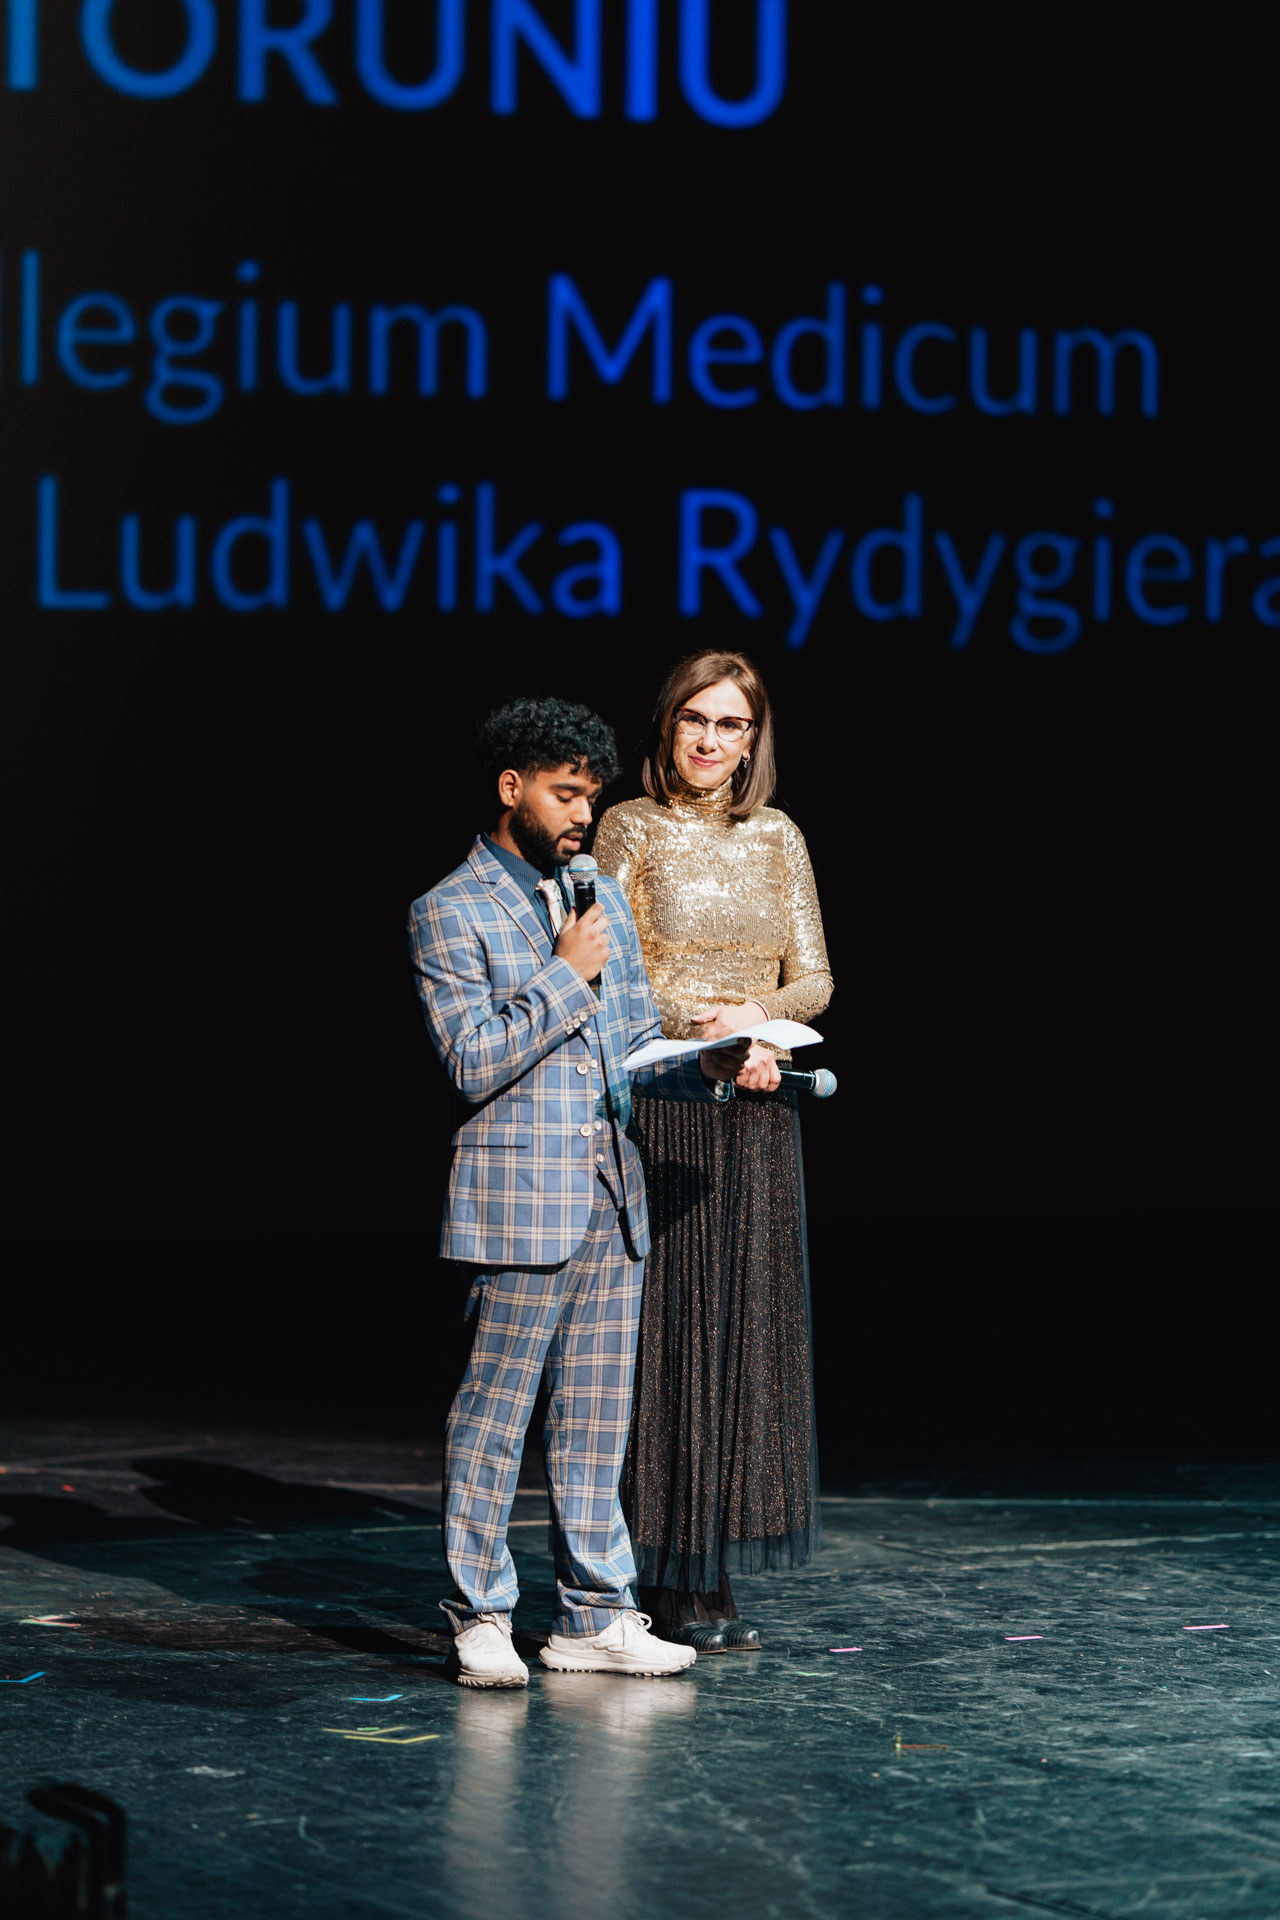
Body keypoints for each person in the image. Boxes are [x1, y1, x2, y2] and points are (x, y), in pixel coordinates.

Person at [407, 696, 749, 1687]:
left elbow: (631, 1046)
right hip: (520, 1198)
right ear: (511, 788)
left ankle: (594, 1615)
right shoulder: (449, 909)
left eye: (591, 796)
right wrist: (565, 973)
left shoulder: (596, 897)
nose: (582, 815)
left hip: (612, 1193)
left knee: (596, 1424)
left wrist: (706, 1064)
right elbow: (471, 1061)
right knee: (493, 1418)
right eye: (565, 794)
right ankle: (479, 1613)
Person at [593, 651, 833, 1654]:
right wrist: (704, 1025)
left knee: (743, 1333)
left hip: (758, 1102)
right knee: (673, 1333)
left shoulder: (776, 834)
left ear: (752, 740)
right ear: (667, 725)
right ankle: (659, 1567)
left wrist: (756, 1025)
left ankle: (712, 1562)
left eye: (731, 724)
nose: (709, 739)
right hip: (669, 1103)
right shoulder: (628, 826)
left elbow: (813, 978)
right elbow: (609, 965)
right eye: (695, 718)